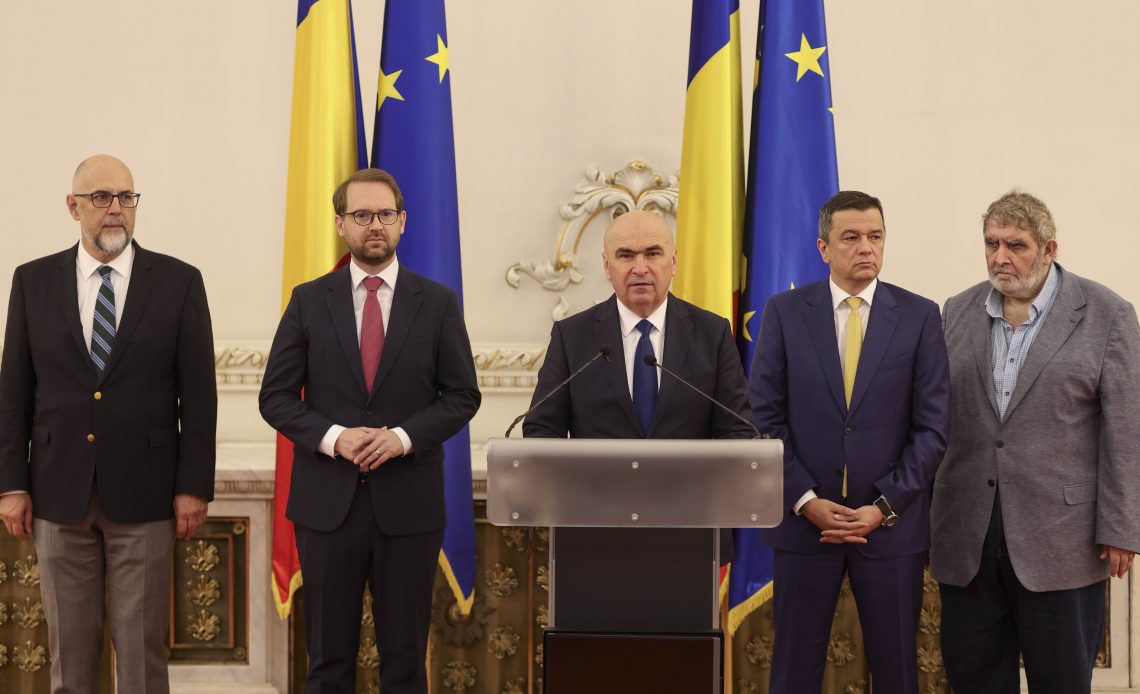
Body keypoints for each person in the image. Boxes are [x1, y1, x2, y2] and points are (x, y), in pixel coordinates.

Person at [0, 154, 217, 693]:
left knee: (141, 657)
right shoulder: (32, 281)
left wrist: (193, 486)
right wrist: (11, 484)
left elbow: (199, 396)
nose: (115, 208)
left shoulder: (179, 282)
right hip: (57, 494)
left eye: (126, 197)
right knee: (71, 658)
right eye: (100, 197)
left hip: (147, 496)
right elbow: (14, 394)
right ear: (73, 207)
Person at [259, 168, 480, 693]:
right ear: (341, 224)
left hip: (408, 509)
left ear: (403, 222)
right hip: (326, 509)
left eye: (384, 214)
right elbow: (275, 397)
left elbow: (463, 396)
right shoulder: (309, 300)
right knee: (327, 665)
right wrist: (334, 436)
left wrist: (401, 438)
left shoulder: (438, 302)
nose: (374, 224)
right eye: (361, 215)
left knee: (405, 665)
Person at [931, 190, 1140, 694]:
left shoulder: (1107, 315)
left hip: (1062, 542)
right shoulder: (956, 311)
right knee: (974, 681)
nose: (1000, 257)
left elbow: (1126, 430)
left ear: (1049, 250)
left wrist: (1121, 527)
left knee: (1061, 682)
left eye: (1016, 245)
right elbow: (934, 420)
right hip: (967, 540)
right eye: (992, 243)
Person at [749, 190, 950, 694]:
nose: (866, 247)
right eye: (851, 237)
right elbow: (764, 418)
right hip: (805, 528)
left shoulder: (920, 316)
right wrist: (805, 501)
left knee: (897, 672)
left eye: (875, 236)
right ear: (823, 247)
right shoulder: (785, 312)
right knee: (793, 673)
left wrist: (883, 506)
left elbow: (932, 429)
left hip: (890, 530)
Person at [523, 209, 753, 442]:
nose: (640, 269)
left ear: (673, 262)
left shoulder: (713, 334)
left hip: (688, 469)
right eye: (626, 256)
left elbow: (739, 431)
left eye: (653, 254)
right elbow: (541, 430)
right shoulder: (571, 337)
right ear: (607, 266)